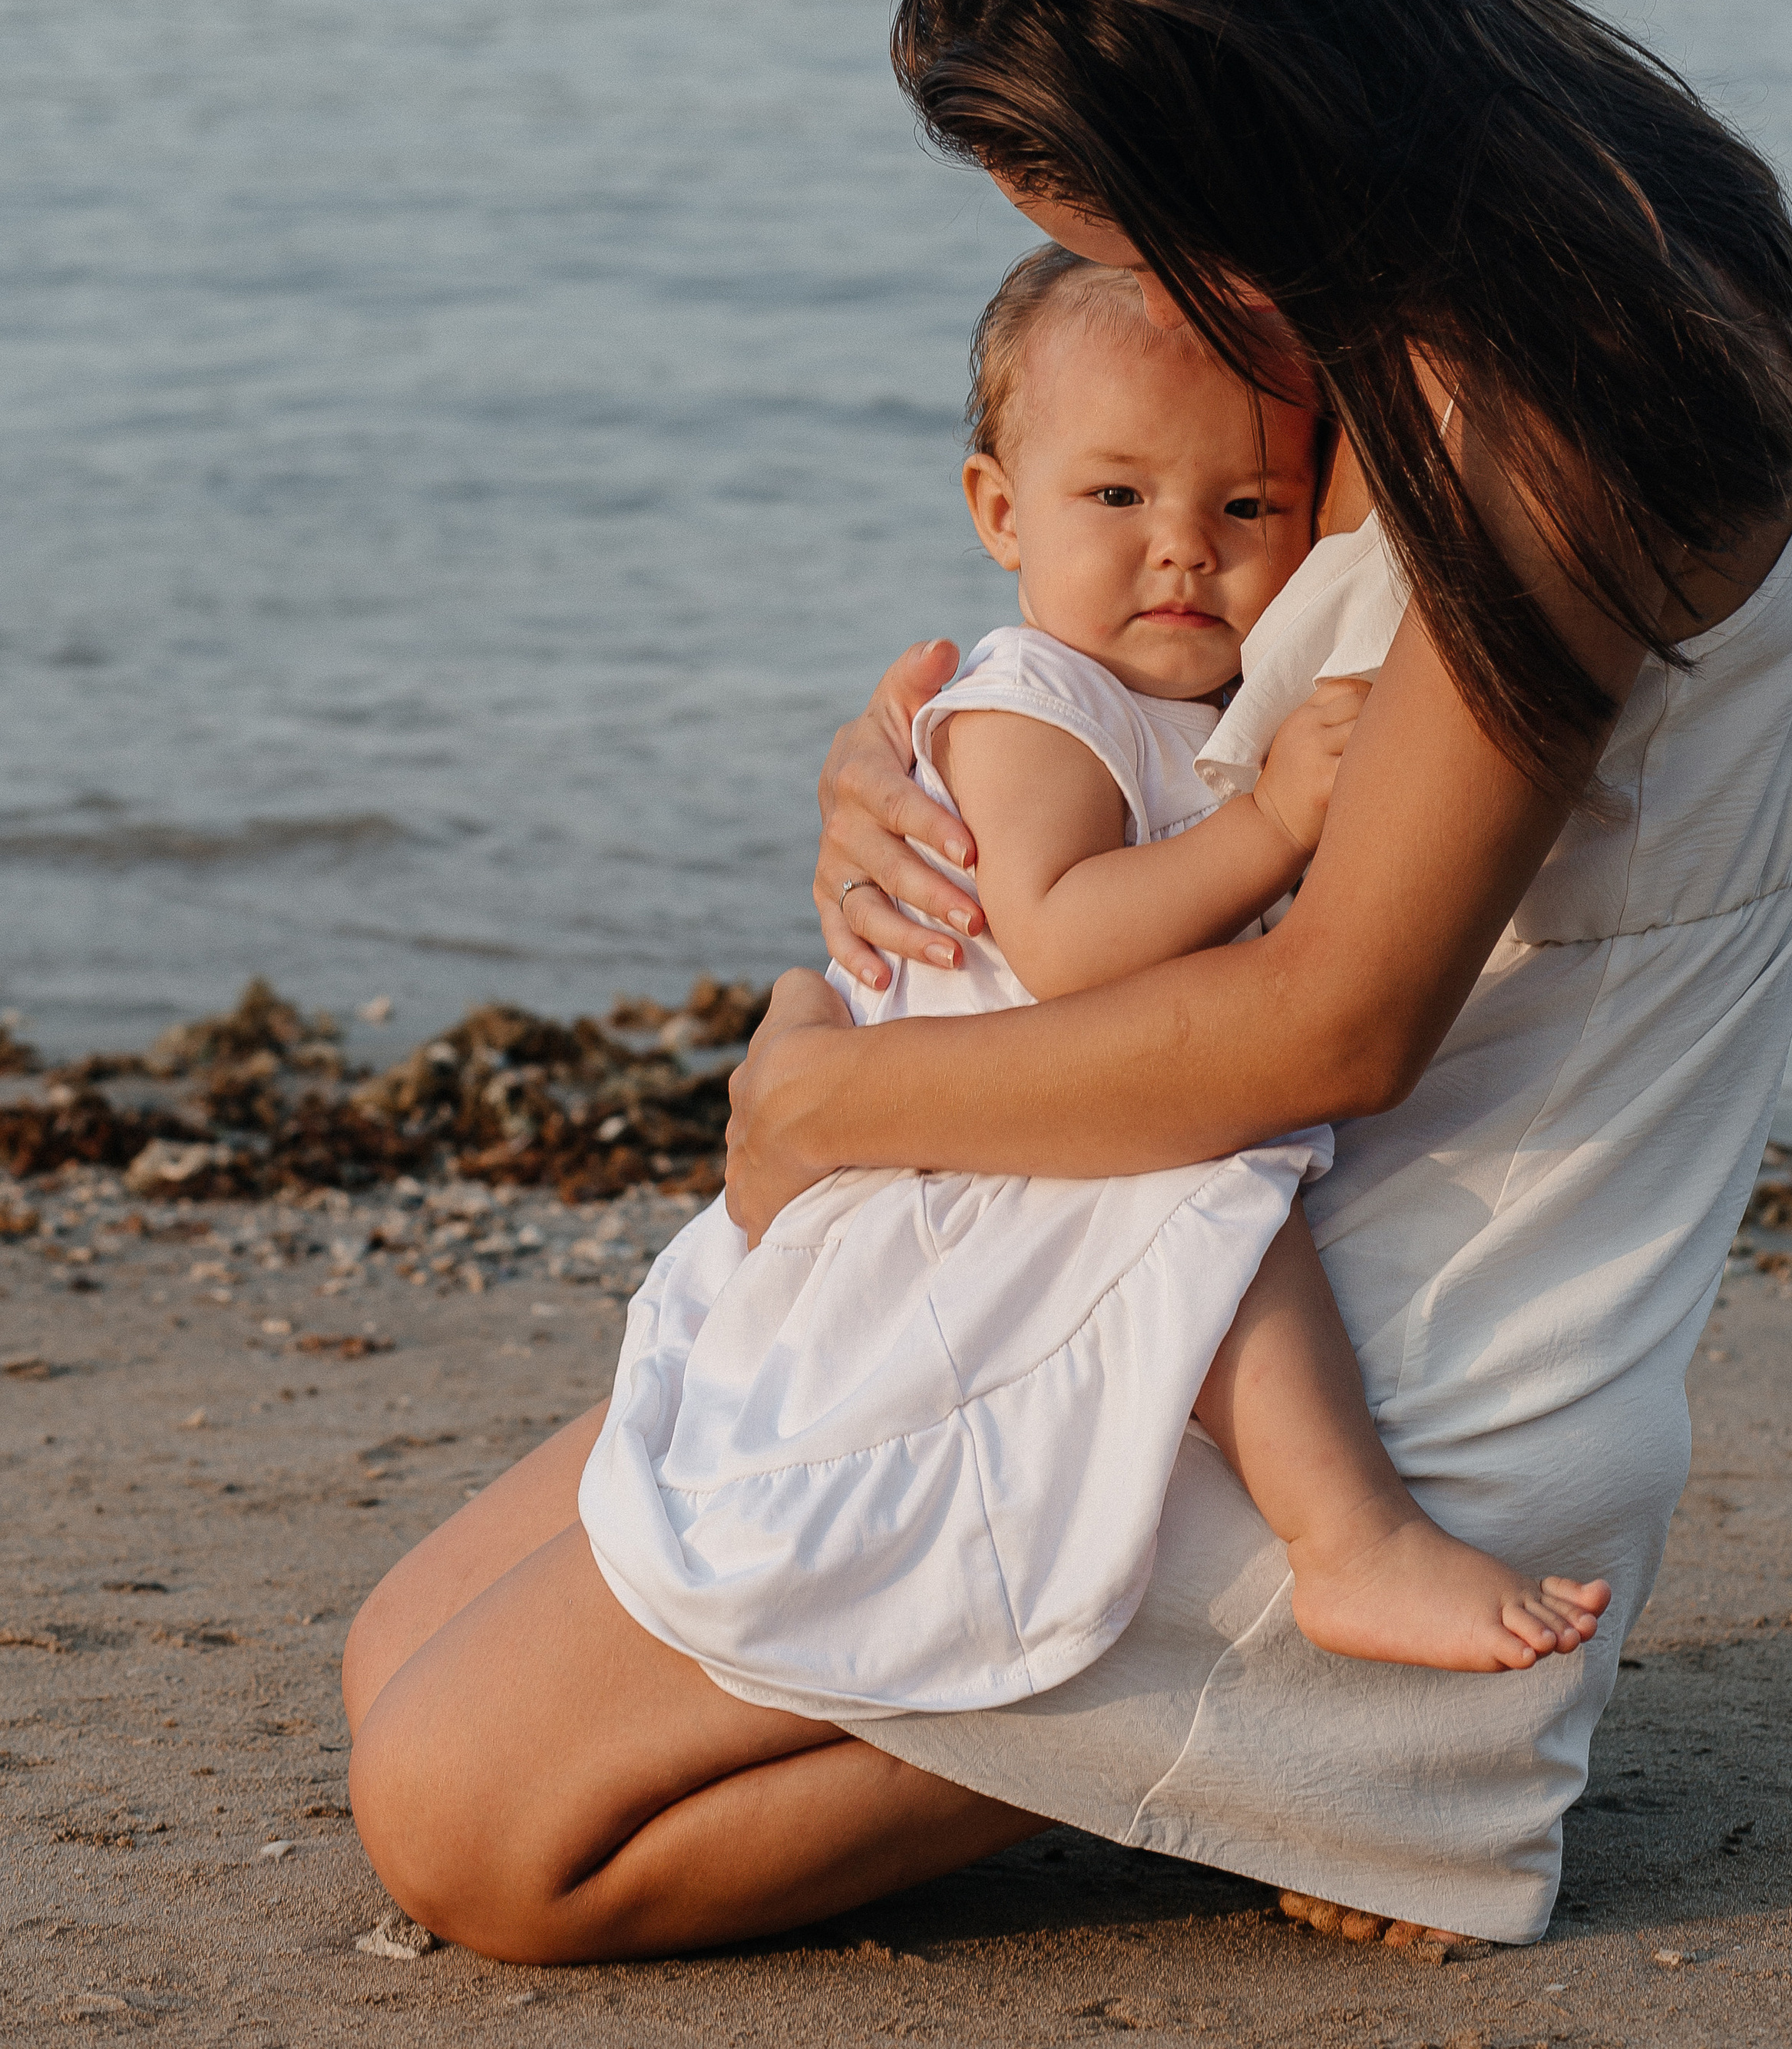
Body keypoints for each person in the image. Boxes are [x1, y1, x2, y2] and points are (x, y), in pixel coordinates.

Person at [342, 0, 1792, 1965]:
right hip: (1196, 1194)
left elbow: (1339, 1017)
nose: (1138, 293)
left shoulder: (1557, 394)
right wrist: (941, 759)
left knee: (475, 1831)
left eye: (1132, 230)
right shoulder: (1447, 246)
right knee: (399, 1656)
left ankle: (1349, 1727)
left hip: (1380, 1319)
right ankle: (1205, 1733)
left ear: (1262, 123)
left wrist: (833, 1104)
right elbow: (1201, 708)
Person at [577, 243, 1610, 1714]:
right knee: (1221, 1214)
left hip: (1034, 1110)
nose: (1182, 549)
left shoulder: (1201, 701)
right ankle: (1352, 1540)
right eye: (1119, 498)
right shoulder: (1032, 704)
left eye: (1244, 507)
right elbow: (1063, 940)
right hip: (991, 1133)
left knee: (1220, 1203)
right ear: (1002, 511)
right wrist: (1273, 824)